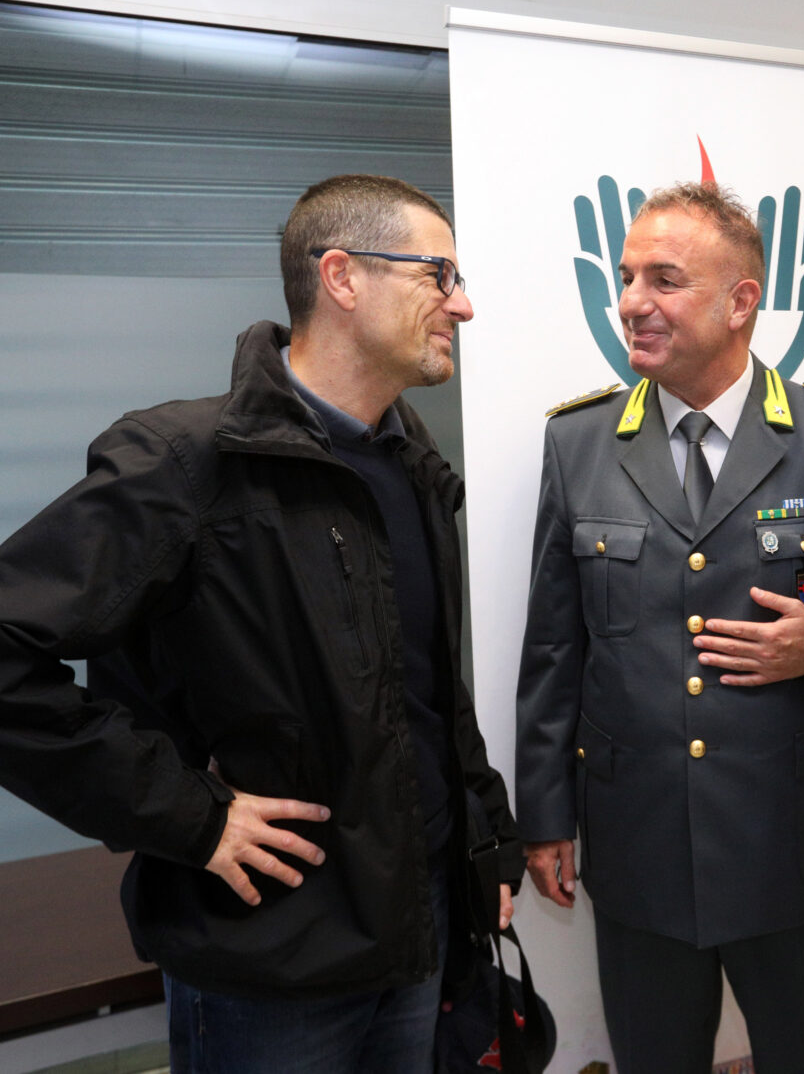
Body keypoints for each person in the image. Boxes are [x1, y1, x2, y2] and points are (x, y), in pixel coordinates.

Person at [0, 174, 523, 1072]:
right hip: (268, 963)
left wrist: (487, 841)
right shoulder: (185, 465)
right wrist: (192, 816)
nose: (463, 306)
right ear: (343, 277)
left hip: (421, 931)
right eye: (439, 274)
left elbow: (428, 691)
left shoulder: (414, 467)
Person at [515, 181, 804, 1074]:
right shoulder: (579, 443)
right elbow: (553, 646)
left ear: (740, 302)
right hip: (638, 839)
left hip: (789, 841)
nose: (631, 303)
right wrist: (543, 816)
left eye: (664, 279)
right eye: (625, 277)